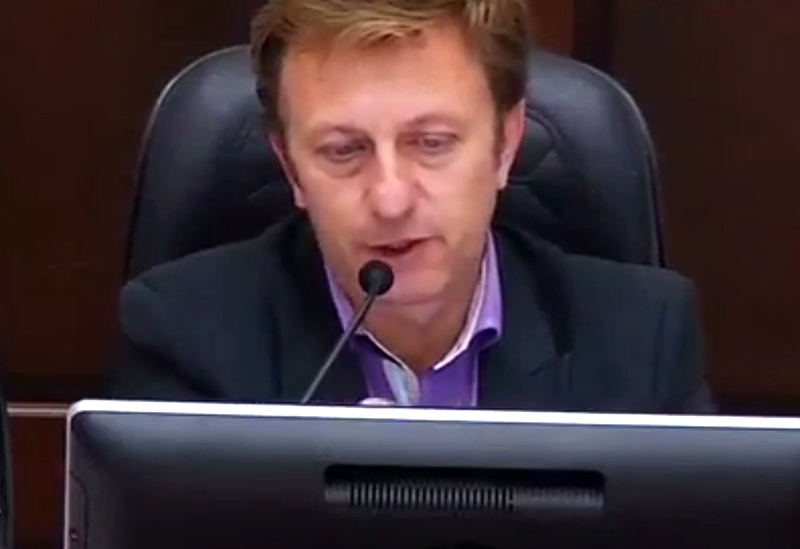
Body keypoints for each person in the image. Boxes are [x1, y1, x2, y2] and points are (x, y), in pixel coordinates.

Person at [106, 0, 714, 412]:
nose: (391, 198)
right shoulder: (184, 339)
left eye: (432, 143)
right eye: (345, 151)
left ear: (505, 146)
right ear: (291, 169)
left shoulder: (643, 342)